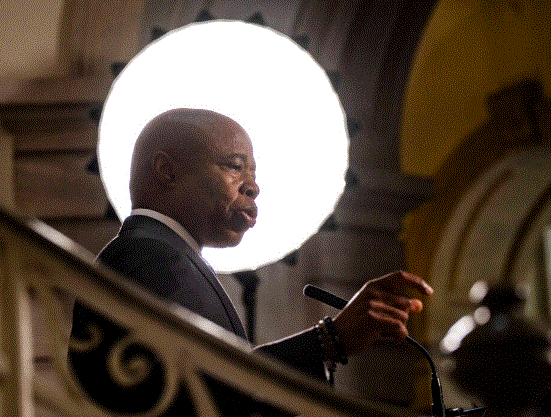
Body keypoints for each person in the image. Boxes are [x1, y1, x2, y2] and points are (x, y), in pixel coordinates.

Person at [69, 108, 433, 413]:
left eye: (253, 173)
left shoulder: (165, 253)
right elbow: (202, 386)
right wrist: (329, 340)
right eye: (234, 166)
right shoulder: (147, 254)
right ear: (167, 171)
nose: (253, 186)